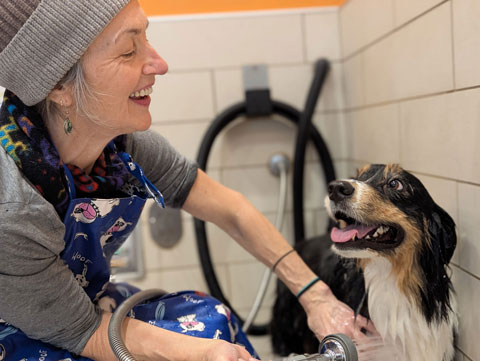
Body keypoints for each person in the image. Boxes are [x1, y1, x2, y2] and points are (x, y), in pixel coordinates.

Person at [0, 1, 376, 360]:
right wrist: (202, 353)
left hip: (81, 309)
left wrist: (316, 296)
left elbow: (231, 210)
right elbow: (82, 332)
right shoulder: (13, 208)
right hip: (29, 329)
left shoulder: (123, 150)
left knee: (213, 318)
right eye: (129, 51)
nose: (159, 64)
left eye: (146, 38)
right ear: (59, 88)